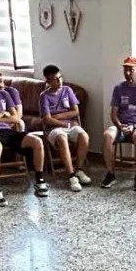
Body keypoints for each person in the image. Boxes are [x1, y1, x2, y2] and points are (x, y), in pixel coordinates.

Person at [0, 60, 48, 199]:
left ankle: (40, 180)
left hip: (9, 131)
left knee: (37, 142)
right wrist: (2, 114)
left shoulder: (3, 94)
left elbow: (16, 117)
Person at [102, 57, 136, 191]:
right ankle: (110, 173)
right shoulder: (118, 88)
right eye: (125, 69)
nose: (127, 73)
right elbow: (113, 113)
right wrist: (120, 125)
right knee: (108, 135)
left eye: (130, 69)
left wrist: (135, 126)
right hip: (122, 125)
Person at [39, 64, 91, 192]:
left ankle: (79, 170)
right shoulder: (44, 96)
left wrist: (57, 116)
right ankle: (71, 176)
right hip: (53, 129)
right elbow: (47, 119)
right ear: (48, 81)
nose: (59, 81)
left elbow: (75, 112)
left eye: (60, 77)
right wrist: (63, 123)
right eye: (55, 79)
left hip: (70, 125)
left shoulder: (67, 90)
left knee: (84, 135)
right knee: (62, 138)